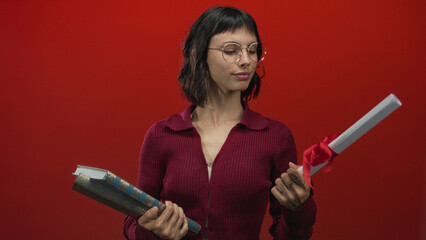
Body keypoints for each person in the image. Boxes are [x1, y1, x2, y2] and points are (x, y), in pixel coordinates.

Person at [123, 6, 316, 240]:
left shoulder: (275, 136)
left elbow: (289, 236)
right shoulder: (161, 134)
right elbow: (132, 224)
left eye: (253, 50)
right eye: (231, 50)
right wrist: (151, 231)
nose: (246, 60)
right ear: (199, 54)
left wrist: (299, 208)